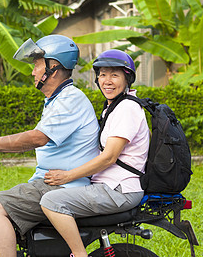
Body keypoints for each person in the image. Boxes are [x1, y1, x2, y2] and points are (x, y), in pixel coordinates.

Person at [0, 35, 100, 257]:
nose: (32, 71)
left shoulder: (70, 100)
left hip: (61, 187)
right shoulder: (57, 100)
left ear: (53, 68)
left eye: (36, 64)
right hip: (50, 182)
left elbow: (37, 138)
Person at [40, 49, 151, 257]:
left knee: (51, 202)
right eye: (102, 75)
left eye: (114, 75)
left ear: (127, 79)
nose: (107, 81)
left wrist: (68, 175)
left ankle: (79, 254)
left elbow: (109, 157)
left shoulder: (127, 108)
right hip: (111, 186)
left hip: (119, 190)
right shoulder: (114, 107)